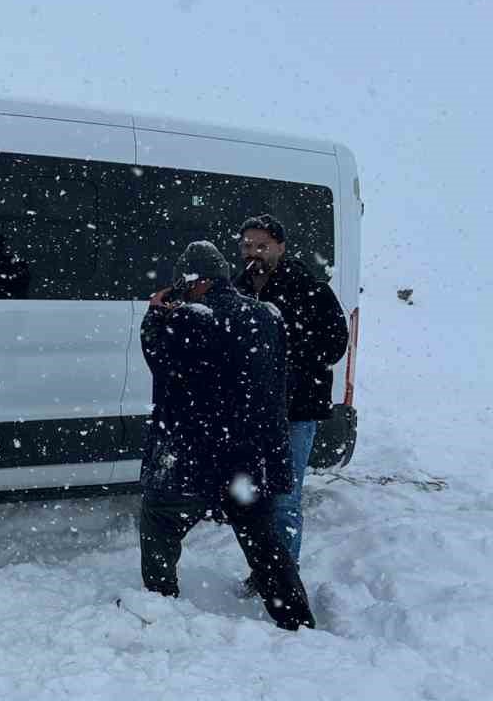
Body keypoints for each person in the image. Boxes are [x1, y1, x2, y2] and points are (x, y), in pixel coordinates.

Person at [137, 240, 315, 630]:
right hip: (251, 458)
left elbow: (159, 360)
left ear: (195, 282)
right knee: (263, 542)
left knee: (160, 521)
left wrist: (154, 315)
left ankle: (159, 602)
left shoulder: (189, 318)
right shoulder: (266, 316)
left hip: (196, 455)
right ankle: (296, 620)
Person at [233, 215, 350, 566]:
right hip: (252, 413)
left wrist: (290, 358)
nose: (253, 252)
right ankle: (264, 572)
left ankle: (285, 580)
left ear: (280, 248)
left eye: (262, 246)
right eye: (247, 245)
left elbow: (335, 343)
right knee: (255, 498)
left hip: (295, 412)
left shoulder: (309, 288)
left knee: (285, 498)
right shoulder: (238, 290)